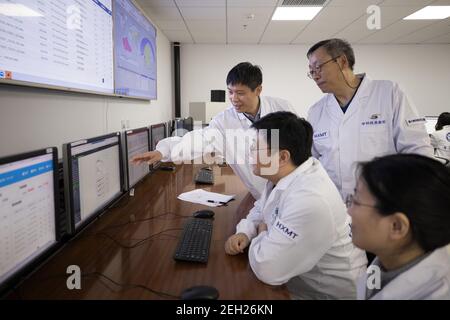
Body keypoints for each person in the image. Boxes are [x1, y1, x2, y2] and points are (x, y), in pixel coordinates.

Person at [225, 111, 367, 299]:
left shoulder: (310, 199)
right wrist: (246, 231)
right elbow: (261, 207)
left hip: (326, 293)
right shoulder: (286, 175)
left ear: (283, 157)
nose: (249, 153)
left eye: (255, 148)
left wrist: (262, 232)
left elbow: (268, 268)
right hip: (297, 275)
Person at [131, 62, 296, 199]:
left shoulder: (282, 108)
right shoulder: (224, 120)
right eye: (230, 92)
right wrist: (163, 151)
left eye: (240, 93)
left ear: (258, 90)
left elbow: (302, 148)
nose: (233, 99)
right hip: (259, 194)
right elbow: (200, 139)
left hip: (293, 190)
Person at [306, 38, 434, 201]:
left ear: (342, 61)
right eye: (311, 71)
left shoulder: (389, 93)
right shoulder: (316, 111)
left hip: (383, 201)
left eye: (318, 67)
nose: (315, 76)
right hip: (334, 205)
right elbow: (312, 162)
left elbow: (418, 150)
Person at [347, 154, 450, 299]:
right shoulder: (387, 262)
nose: (348, 211)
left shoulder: (438, 294)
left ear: (397, 226)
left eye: (356, 202)